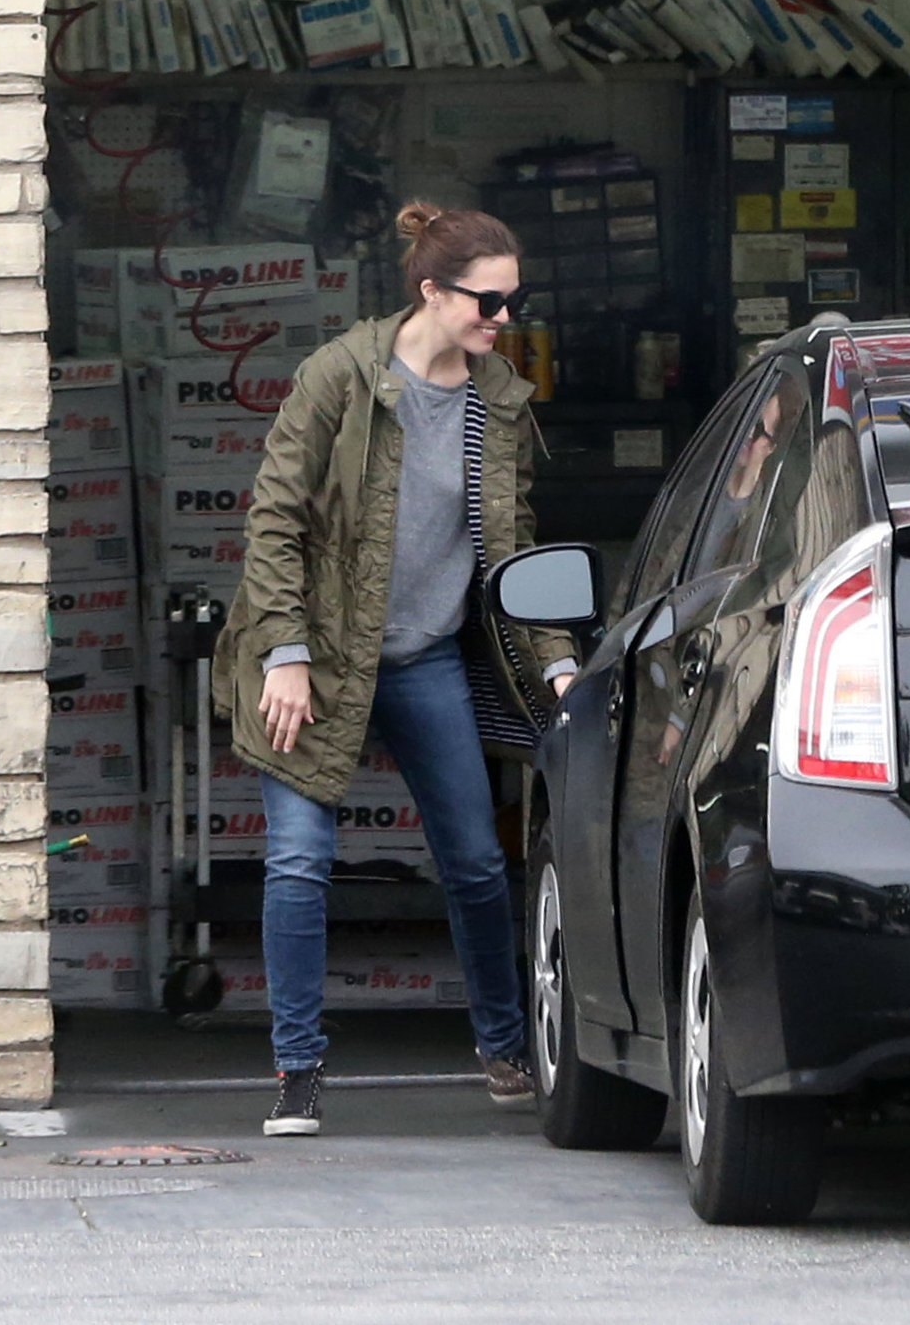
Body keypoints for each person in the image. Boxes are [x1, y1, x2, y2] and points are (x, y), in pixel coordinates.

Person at [211, 202, 582, 1137]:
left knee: (474, 862)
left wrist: (558, 665)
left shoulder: (497, 400)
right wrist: (286, 656)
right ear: (431, 291)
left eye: (513, 301)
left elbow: (512, 545)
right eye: (488, 302)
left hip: (422, 658)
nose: (504, 319)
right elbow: (274, 522)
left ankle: (505, 1046)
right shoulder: (341, 376)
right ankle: (297, 1070)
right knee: (299, 861)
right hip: (315, 657)